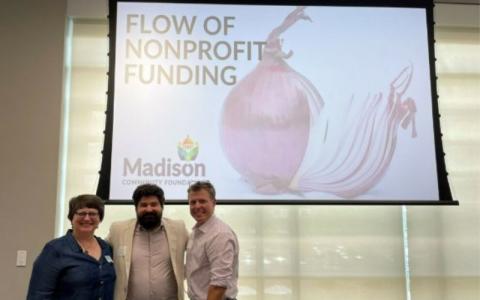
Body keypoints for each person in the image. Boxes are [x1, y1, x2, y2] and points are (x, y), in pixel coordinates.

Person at [107, 183, 188, 300]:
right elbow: (99, 254)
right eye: (143, 205)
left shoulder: (179, 229)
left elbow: (199, 253)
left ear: (162, 206)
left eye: (154, 204)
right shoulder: (118, 230)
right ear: (136, 208)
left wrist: (183, 273)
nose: (149, 209)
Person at [27, 194, 115, 300]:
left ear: (100, 219)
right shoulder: (55, 250)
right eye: (81, 213)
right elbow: (38, 295)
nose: (87, 218)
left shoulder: (106, 248)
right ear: (71, 218)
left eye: (92, 213)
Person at [186, 181, 239, 300]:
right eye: (192, 202)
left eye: (202, 201)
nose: (197, 206)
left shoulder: (220, 234)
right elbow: (197, 268)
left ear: (214, 203)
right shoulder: (197, 232)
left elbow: (218, 285)